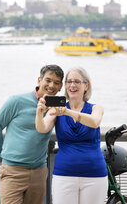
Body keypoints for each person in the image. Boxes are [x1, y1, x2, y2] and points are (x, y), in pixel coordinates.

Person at [0, 64, 64, 204]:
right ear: (39, 80)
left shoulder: (57, 108)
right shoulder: (16, 101)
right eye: (48, 80)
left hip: (39, 172)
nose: (51, 85)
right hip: (12, 171)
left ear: (60, 87)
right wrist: (0, 157)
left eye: (56, 82)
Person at [35, 67, 108, 204]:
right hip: (64, 174)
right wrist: (39, 113)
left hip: (94, 175)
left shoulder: (95, 108)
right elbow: (42, 128)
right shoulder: (56, 110)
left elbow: (94, 122)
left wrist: (68, 112)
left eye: (77, 81)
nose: (72, 85)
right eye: (68, 82)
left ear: (86, 85)